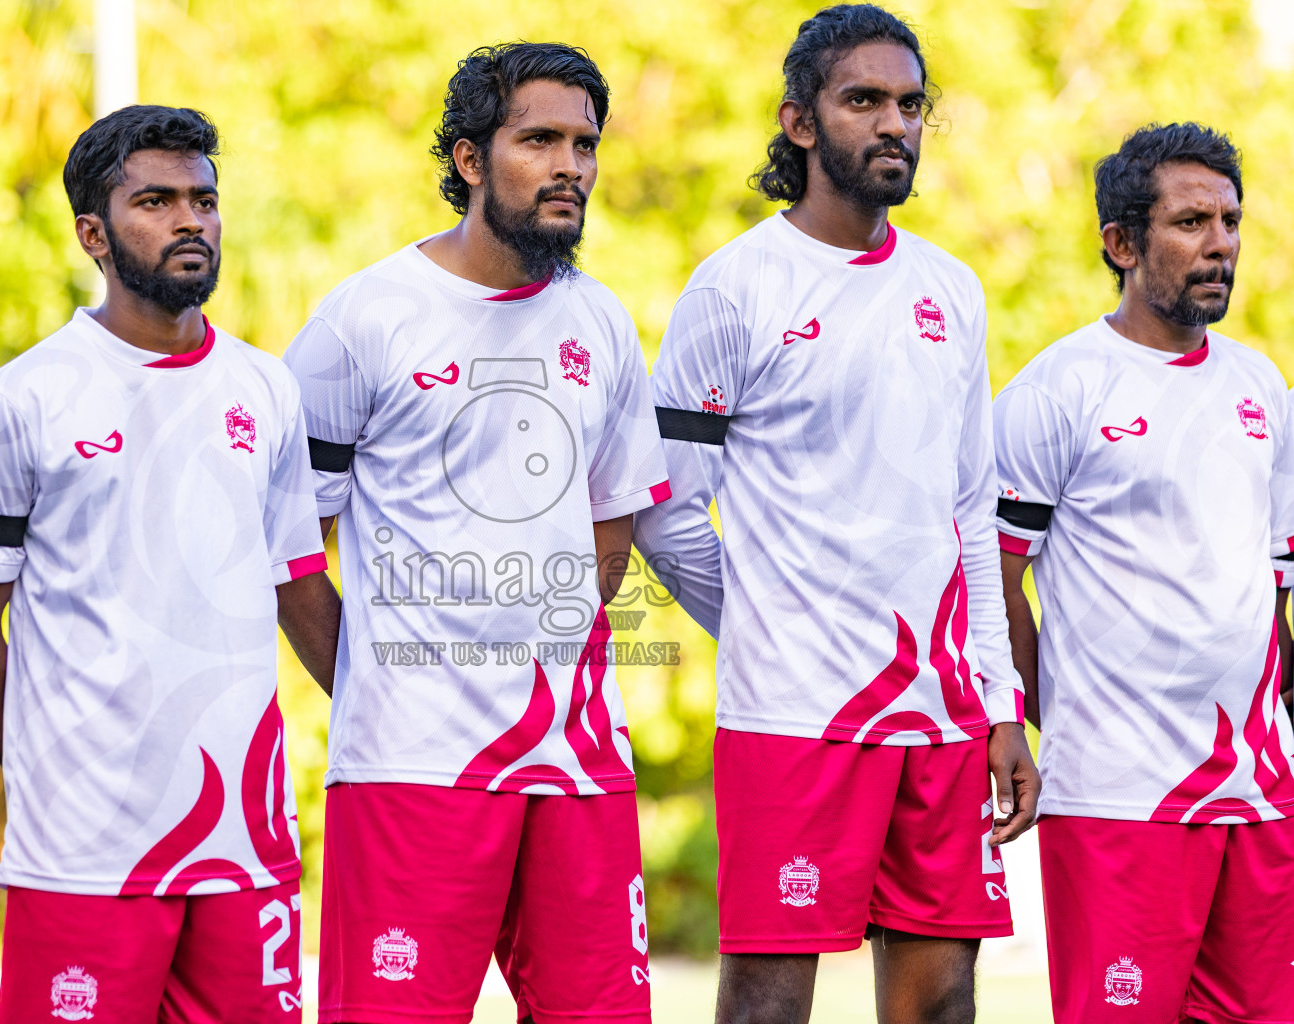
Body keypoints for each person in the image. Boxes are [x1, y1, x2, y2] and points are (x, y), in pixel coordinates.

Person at [630, 6, 1038, 1022]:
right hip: (794, 718)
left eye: (910, 105)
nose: (895, 124)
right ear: (799, 122)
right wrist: (765, 621)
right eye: (864, 101)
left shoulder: (953, 288)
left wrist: (1000, 702)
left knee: (942, 999)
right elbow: (668, 511)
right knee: (767, 999)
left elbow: (968, 517)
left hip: (942, 715)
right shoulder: (735, 289)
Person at [282, 42, 668, 1024]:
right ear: (468, 159)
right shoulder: (365, 319)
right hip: (414, 770)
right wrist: (379, 681)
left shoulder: (603, 321)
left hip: (577, 759)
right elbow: (286, 552)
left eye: (584, 142)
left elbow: (609, 528)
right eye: (538, 138)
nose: (569, 164)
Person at [0, 105, 339, 1023]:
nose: (189, 219)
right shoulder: (22, 399)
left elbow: (298, 586)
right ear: (93, 233)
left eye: (203, 198)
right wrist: (45, 777)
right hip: (84, 853)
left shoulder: (265, 387)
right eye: (155, 200)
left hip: (246, 844)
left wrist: (380, 711)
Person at [995, 123, 1294, 1024]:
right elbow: (992, 583)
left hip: (1261, 794)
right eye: (1190, 222)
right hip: (1120, 800)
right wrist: (1056, 717)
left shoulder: (1261, 387)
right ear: (1121, 243)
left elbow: (1273, 593)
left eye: (1231, 221)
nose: (1221, 244)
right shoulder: (1057, 390)